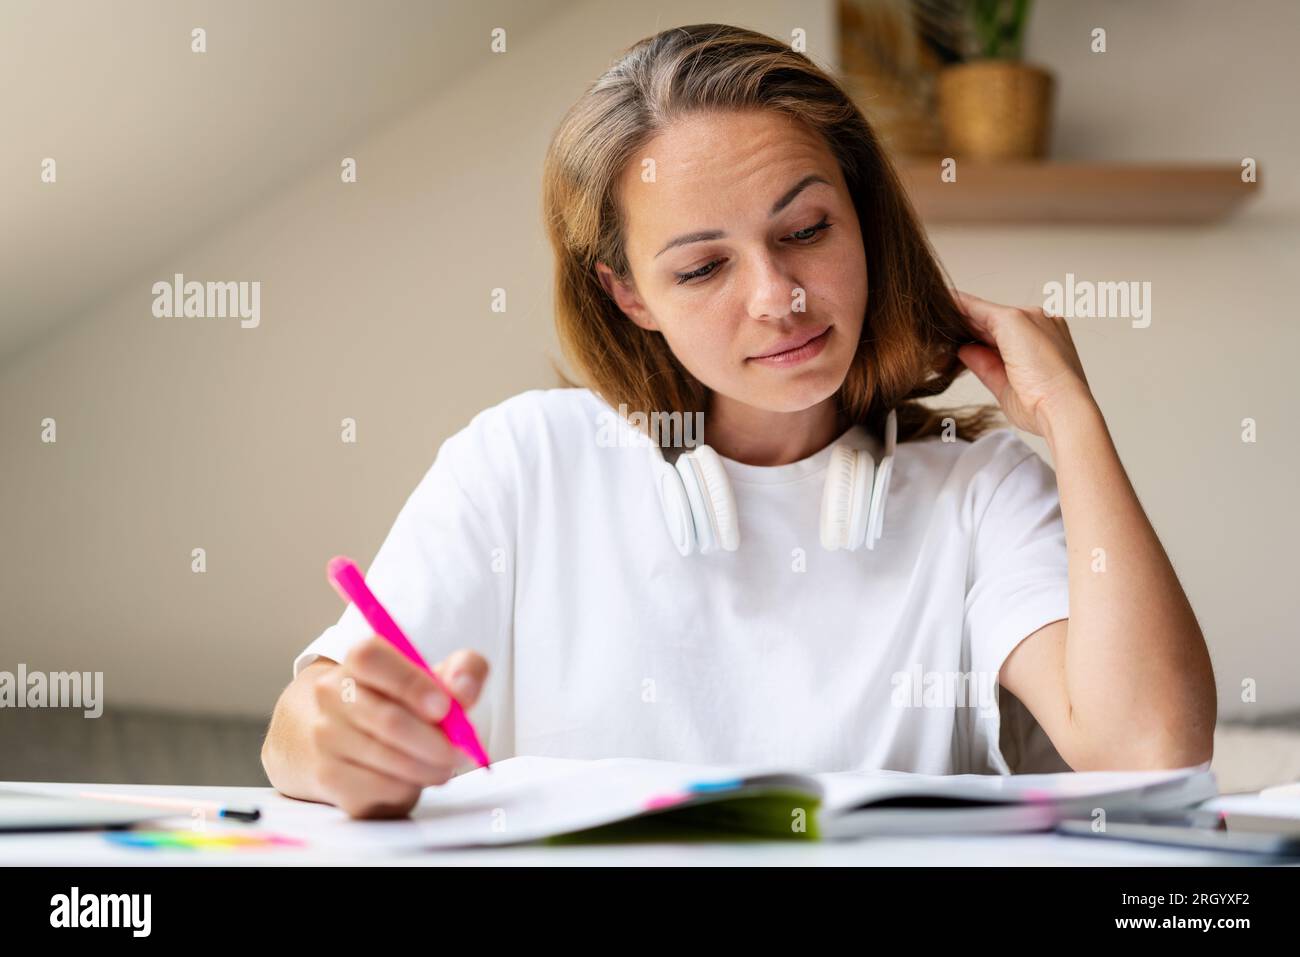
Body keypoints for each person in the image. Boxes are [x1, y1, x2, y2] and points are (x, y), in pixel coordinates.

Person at [261, 23, 1215, 819]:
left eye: (805, 232)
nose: (779, 298)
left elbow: (1151, 751)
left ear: (864, 219)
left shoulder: (979, 488)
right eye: (703, 267)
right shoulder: (522, 461)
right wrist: (341, 737)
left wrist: (1071, 416)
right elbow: (297, 732)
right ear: (629, 294)